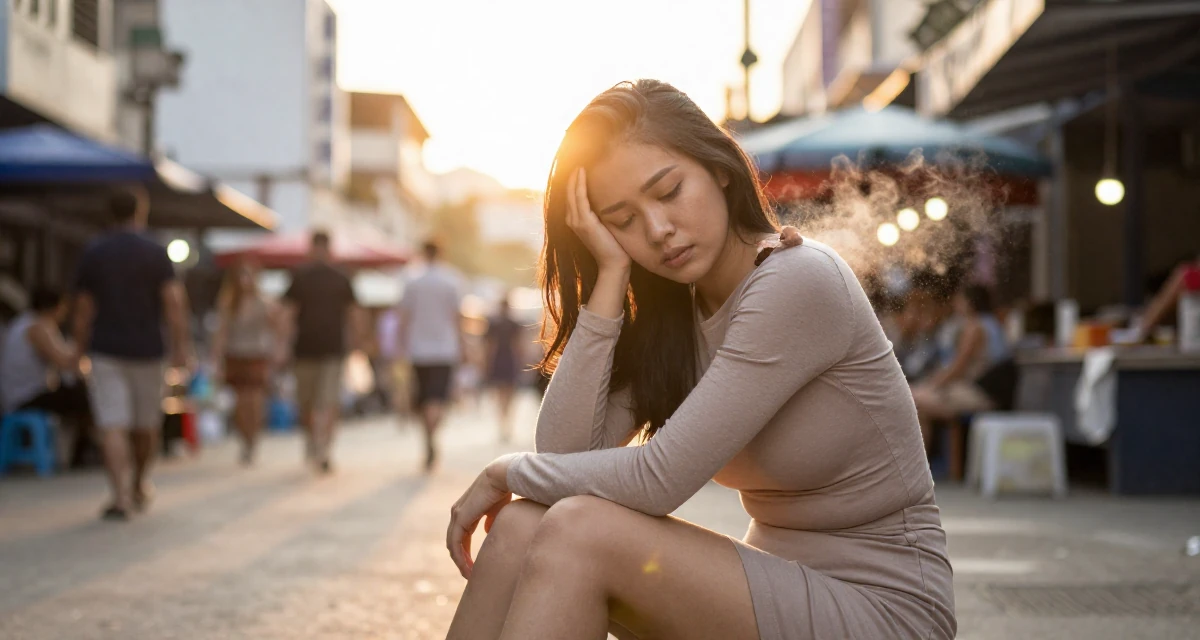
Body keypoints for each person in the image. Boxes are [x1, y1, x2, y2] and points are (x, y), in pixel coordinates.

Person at [443, 80, 955, 639]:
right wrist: (611, 279)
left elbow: (658, 478)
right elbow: (565, 456)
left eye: (668, 192)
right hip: (776, 590)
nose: (658, 230)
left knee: (578, 529)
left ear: (719, 168)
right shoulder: (675, 316)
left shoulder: (797, 280)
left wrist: (504, 470)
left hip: (883, 608)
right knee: (522, 522)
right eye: (622, 220)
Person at [73, 188, 193, 521]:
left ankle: (121, 496)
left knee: (112, 424)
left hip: (105, 349)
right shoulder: (156, 252)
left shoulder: (94, 251)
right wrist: (181, 348)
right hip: (148, 349)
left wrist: (78, 352)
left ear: (109, 213)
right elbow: (174, 304)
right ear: (140, 212)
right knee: (146, 424)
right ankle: (139, 482)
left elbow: (83, 309)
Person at [282, 230, 362, 474]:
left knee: (327, 401)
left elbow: (353, 313)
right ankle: (314, 441)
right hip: (306, 349)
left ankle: (324, 449)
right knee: (308, 402)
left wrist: (358, 341)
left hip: (331, 350)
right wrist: (283, 344)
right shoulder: (302, 276)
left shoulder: (339, 277)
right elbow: (288, 313)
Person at [0, 287, 94, 465]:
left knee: (81, 395)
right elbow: (63, 362)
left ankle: (83, 450)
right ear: (53, 307)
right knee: (85, 397)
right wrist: (82, 346)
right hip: (24, 397)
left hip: (22, 394)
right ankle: (84, 452)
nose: (64, 314)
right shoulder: (36, 327)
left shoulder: (25, 323)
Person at [911, 284, 1010, 447]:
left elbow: (958, 368)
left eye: (959, 300)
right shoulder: (993, 323)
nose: (955, 304)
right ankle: (932, 464)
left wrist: (932, 385)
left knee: (913, 400)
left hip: (980, 394)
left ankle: (919, 465)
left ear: (969, 302)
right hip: (990, 392)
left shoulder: (975, 327)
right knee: (920, 403)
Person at [397, 240, 465, 472]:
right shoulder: (452, 280)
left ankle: (428, 439)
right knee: (438, 398)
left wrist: (400, 345)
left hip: (418, 349)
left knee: (424, 399)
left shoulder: (411, 280)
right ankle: (432, 436)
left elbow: (403, 317)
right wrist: (463, 345)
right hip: (445, 349)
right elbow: (458, 317)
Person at [211, 260, 284, 465]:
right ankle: (245, 438)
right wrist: (216, 358)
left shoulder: (264, 302)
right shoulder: (228, 303)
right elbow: (221, 333)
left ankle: (253, 439)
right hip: (236, 355)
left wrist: (278, 349)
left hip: (258, 354)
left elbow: (277, 327)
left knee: (255, 400)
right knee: (241, 402)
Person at [484, 295, 523, 443]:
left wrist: (487, 362)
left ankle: (503, 422)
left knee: (500, 393)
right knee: (509, 393)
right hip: (509, 358)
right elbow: (518, 344)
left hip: (498, 358)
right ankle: (507, 422)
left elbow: (489, 345)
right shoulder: (514, 323)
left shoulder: (493, 323)